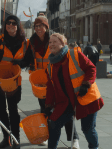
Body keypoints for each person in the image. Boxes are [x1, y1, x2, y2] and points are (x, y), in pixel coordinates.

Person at [23, 16, 80, 147]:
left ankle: (74, 139)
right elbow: (28, 60)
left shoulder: (54, 40)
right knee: (45, 110)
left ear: (46, 27)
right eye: (36, 26)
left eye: (41, 26)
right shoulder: (32, 42)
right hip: (40, 82)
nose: (38, 29)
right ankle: (47, 135)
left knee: (66, 110)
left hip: (57, 80)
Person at [44, 33, 104, 149]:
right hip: (66, 102)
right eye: (50, 42)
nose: (51, 44)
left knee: (87, 130)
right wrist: (48, 105)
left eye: (54, 42)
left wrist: (86, 85)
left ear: (63, 43)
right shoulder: (50, 66)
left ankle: (94, 146)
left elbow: (91, 68)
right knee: (54, 123)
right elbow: (50, 87)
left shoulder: (74, 54)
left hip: (85, 97)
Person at [0, 15, 31, 148]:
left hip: (14, 80)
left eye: (14, 23)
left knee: (13, 110)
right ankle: (6, 138)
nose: (10, 25)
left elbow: (28, 61)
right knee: (1, 109)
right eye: (8, 23)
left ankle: (15, 139)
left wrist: (20, 62)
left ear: (18, 26)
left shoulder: (25, 43)